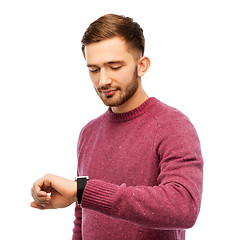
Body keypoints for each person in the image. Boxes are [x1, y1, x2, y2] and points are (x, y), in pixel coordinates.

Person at [31, 14, 203, 240]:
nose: (103, 81)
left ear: (142, 66)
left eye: (114, 66)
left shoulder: (172, 126)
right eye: (94, 69)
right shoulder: (89, 133)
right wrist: (80, 194)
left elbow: (183, 207)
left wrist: (83, 191)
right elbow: (82, 220)